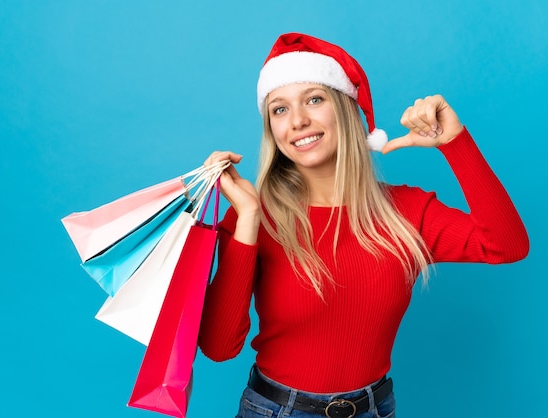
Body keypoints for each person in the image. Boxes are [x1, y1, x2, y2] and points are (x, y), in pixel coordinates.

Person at [198, 32, 529, 418]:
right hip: (275, 410)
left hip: (374, 409)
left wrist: (454, 141)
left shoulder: (405, 211)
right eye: (280, 109)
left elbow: (507, 246)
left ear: (345, 108)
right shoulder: (252, 216)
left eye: (315, 99)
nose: (299, 121)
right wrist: (249, 219)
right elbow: (219, 348)